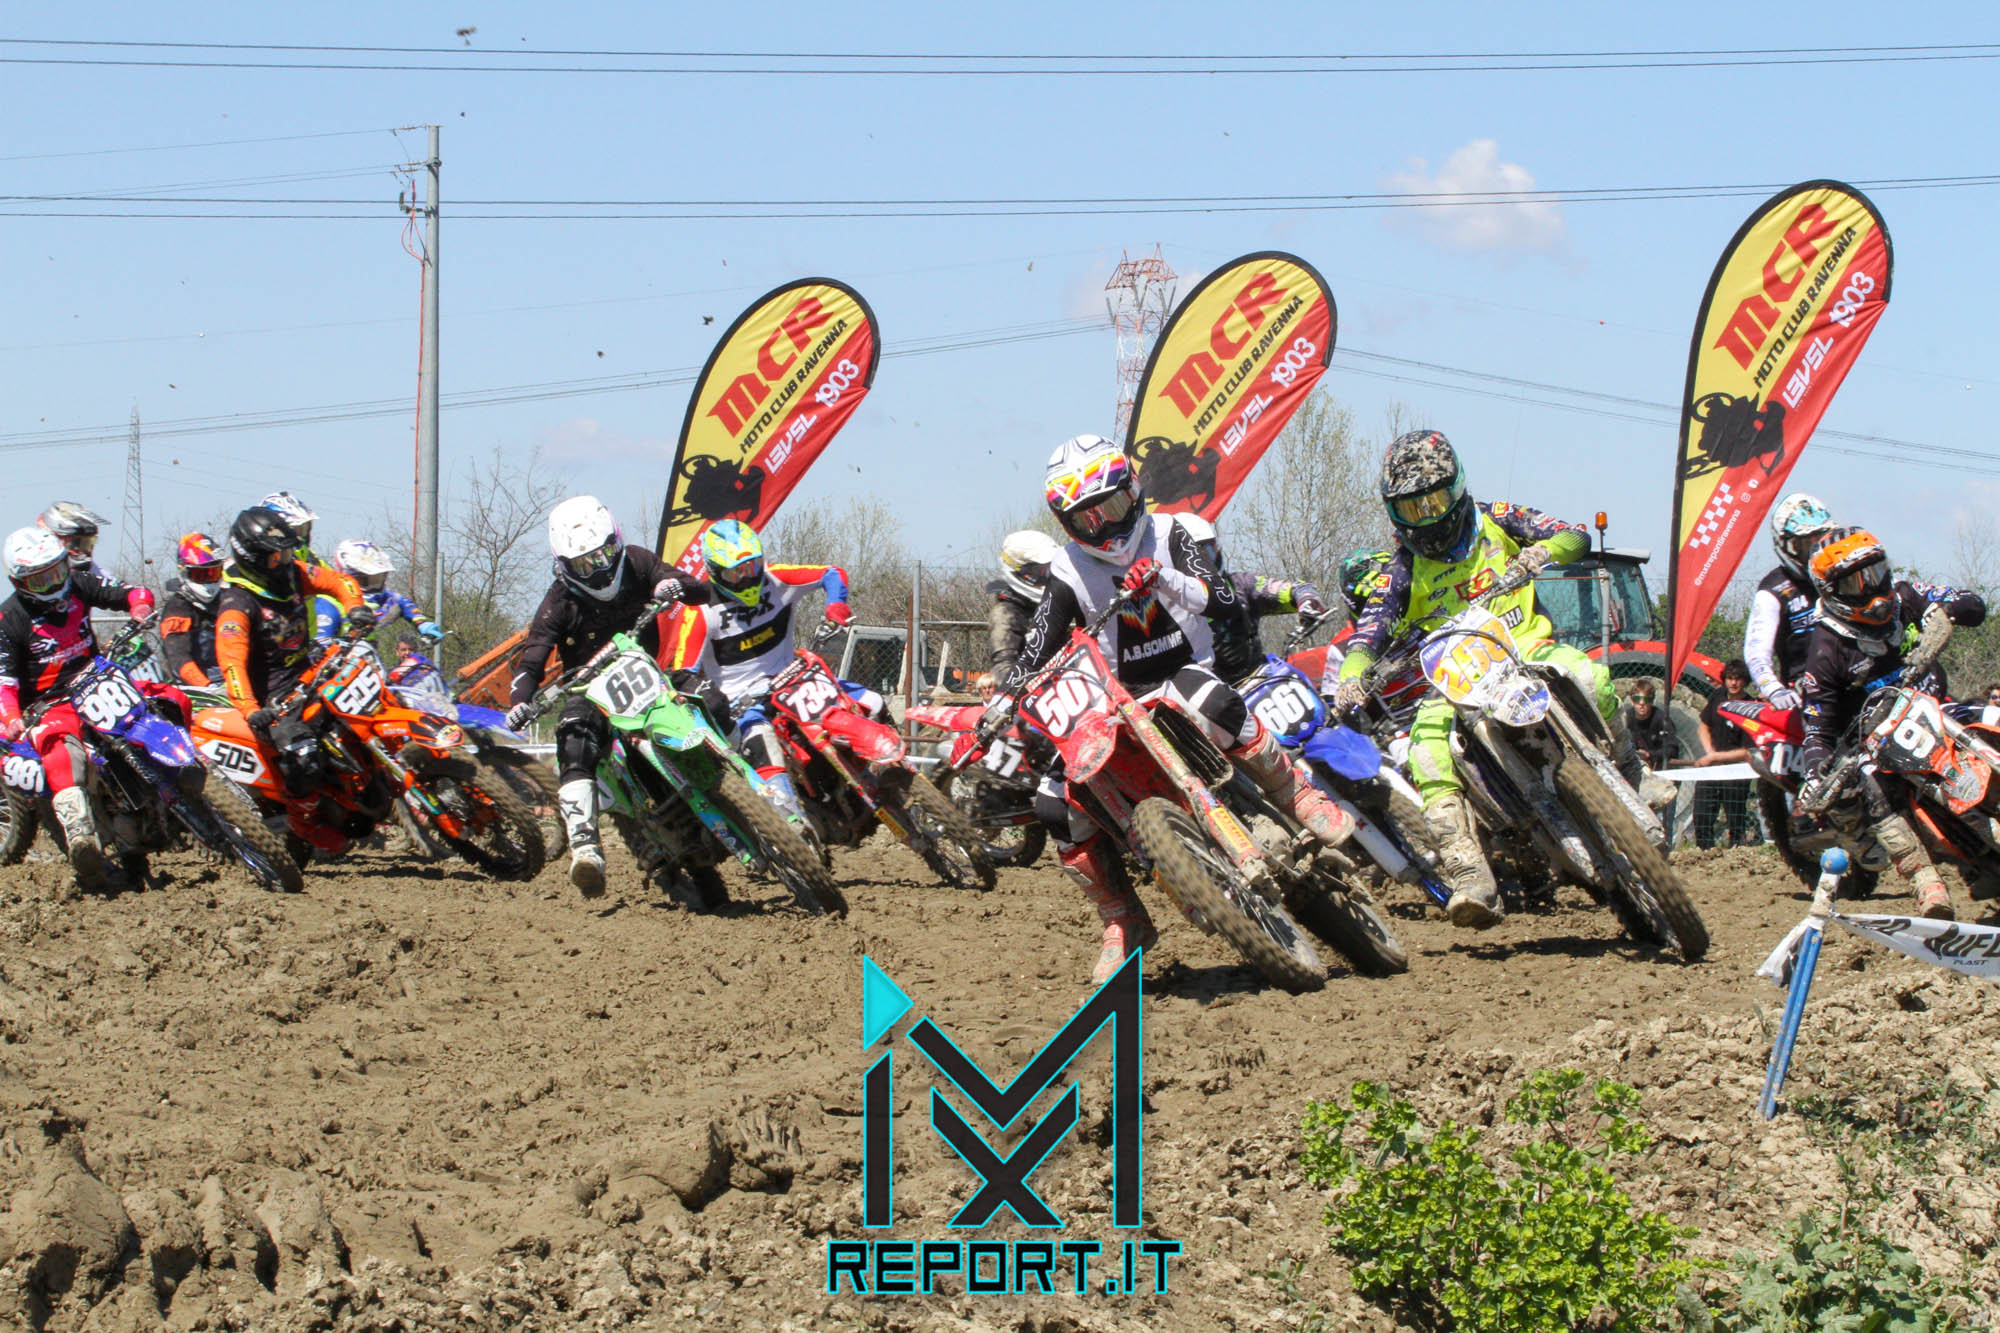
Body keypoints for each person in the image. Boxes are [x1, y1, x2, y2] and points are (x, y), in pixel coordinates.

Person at [999, 434, 1355, 984]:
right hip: (1114, 698)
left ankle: (1299, 795)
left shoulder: (1171, 533)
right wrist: (1006, 696)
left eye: (1111, 507)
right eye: (1087, 518)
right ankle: (1121, 919)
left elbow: (1225, 598)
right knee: (1054, 803)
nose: (1104, 527)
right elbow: (1040, 641)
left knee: (1214, 702)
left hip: (1182, 670)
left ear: (1132, 491)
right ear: (1067, 523)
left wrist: (1164, 578)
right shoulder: (1067, 569)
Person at [1330, 429, 1613, 929]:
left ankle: (1630, 765)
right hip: (1458, 682)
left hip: (1526, 648)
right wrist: (1351, 679)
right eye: (1412, 508)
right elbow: (1368, 633)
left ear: (1457, 489)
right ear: (1394, 512)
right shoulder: (1401, 569)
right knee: (1425, 749)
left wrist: (1543, 552)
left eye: (1435, 502)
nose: (1427, 517)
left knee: (1590, 675)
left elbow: (1574, 535)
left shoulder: (1496, 518)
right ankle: (1469, 870)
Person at [505, 497, 708, 894]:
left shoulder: (637, 562)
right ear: (565, 566)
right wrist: (520, 701)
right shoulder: (558, 601)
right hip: (591, 688)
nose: (598, 568)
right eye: (584, 564)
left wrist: (675, 585)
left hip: (649, 672)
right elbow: (532, 659)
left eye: (604, 555)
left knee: (708, 698)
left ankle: (748, 788)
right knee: (574, 738)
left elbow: (699, 590)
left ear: (616, 542)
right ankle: (585, 848)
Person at [1796, 527, 1986, 920]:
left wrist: (1946, 612)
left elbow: (1972, 603)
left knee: (1992, 717)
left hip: (1940, 709)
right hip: (1879, 743)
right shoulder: (1825, 649)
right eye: (1855, 582)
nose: (1872, 587)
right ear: (1832, 591)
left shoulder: (1905, 595)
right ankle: (1926, 884)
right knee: (1869, 787)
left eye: (1875, 571)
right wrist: (1815, 772)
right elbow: (1817, 728)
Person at [661, 519, 880, 823]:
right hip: (743, 703)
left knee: (872, 702)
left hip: (794, 680)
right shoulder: (699, 611)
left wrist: (836, 606)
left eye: (752, 566)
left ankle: (891, 777)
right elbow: (683, 670)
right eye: (735, 572)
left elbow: (832, 573)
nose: (747, 577)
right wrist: (704, 694)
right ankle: (793, 825)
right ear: (715, 572)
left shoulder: (776, 578)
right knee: (761, 741)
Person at [0, 527, 177, 882]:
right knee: (62, 752)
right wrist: (12, 717)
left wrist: (140, 606)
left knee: (171, 697)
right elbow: (4, 683)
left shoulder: (79, 584)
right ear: (20, 583)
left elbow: (128, 591)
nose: (53, 584)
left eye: (57, 572)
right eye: (40, 580)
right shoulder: (10, 618)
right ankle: (80, 833)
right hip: (50, 703)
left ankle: (186, 772)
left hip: (99, 678)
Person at [213, 508, 371, 855]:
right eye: (277, 555)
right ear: (252, 558)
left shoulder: (294, 572)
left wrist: (355, 607)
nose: (286, 560)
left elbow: (339, 581)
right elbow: (231, 664)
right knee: (304, 757)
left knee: (366, 710)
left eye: (287, 552)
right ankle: (305, 822)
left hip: (311, 673)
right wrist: (250, 709)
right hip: (273, 700)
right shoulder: (236, 604)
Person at [1174, 513, 1331, 682]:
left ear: (1217, 549)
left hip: (1261, 676)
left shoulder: (1241, 585)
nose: (1203, 564)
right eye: (1196, 558)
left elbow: (1296, 588)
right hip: (1212, 690)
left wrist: (1307, 601)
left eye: (1208, 552)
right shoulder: (1171, 608)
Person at [1744, 493, 1836, 711]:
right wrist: (1774, 689)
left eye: (1820, 541)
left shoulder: (1841, 573)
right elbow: (1756, 652)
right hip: (1808, 695)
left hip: (1855, 681)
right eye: (1805, 545)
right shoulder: (1773, 590)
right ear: (1785, 545)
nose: (1815, 553)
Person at [318, 539, 446, 645]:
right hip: (336, 662)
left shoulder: (382, 597)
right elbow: (320, 644)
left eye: (378, 579)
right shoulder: (329, 602)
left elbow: (401, 602)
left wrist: (422, 624)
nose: (374, 585)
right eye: (367, 579)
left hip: (367, 655)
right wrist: (340, 643)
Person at [1693, 659, 1759, 847]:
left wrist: (1715, 757)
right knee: (1702, 815)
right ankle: (1704, 852)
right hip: (1711, 768)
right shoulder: (1718, 697)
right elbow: (1703, 726)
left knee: (1735, 819)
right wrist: (1710, 753)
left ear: (1745, 681)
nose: (1733, 683)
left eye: (1738, 679)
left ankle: (1737, 853)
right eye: (1729, 678)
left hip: (1736, 772)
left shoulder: (1752, 706)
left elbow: (1748, 751)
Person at [158, 532, 227, 688]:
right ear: (185, 572)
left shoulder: (228, 599)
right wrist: (207, 687)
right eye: (201, 575)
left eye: (213, 573)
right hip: (198, 687)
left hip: (233, 677)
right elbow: (178, 657)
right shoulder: (177, 609)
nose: (208, 581)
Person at [989, 530, 1060, 677]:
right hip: (1035, 684)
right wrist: (1023, 686)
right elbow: (1003, 667)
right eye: (1040, 570)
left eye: (1049, 567)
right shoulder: (1006, 613)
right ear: (1019, 571)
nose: (1046, 574)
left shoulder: (1053, 602)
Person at [37, 502, 110, 572]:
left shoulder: (95, 572)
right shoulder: (36, 571)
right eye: (76, 543)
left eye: (88, 543)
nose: (83, 553)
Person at [1622, 680, 1676, 772]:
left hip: (1657, 764)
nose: (1641, 703)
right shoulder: (1626, 718)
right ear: (1632, 701)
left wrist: (1649, 755)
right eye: (1637, 699)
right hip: (1632, 761)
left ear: (1651, 701)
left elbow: (1672, 749)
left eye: (1646, 699)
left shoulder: (1662, 720)